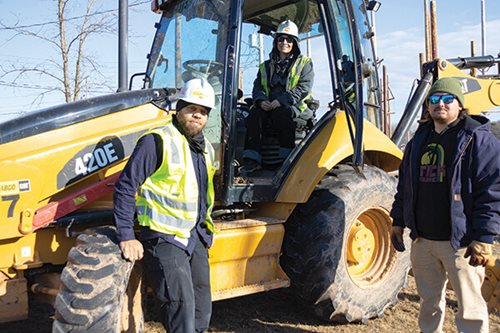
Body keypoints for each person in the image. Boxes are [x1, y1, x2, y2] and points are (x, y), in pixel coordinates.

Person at [390, 77, 500, 333]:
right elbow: (405, 185)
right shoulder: (418, 140)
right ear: (428, 106)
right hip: (423, 242)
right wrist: (398, 220)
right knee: (429, 304)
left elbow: (491, 192)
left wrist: (484, 237)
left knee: (470, 308)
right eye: (435, 100)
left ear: (460, 105)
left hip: (460, 243)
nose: (441, 104)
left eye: (448, 99)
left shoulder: (477, 140)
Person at [113, 78, 217, 333]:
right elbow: (126, 186)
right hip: (164, 238)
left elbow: (203, 195)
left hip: (194, 237)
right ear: (179, 108)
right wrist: (126, 235)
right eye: (192, 108)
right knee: (180, 308)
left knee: (202, 309)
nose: (197, 115)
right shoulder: (157, 141)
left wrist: (206, 231)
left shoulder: (206, 150)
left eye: (203, 112)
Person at [239, 19, 314, 175]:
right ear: (276, 42)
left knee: (282, 114)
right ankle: (252, 160)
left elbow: (303, 88)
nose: (284, 42)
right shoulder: (265, 66)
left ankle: (285, 160)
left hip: (293, 106)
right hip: (268, 106)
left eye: (288, 40)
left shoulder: (305, 63)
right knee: (253, 116)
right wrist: (260, 101)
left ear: (295, 43)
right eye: (281, 39)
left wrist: (280, 102)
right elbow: (258, 86)